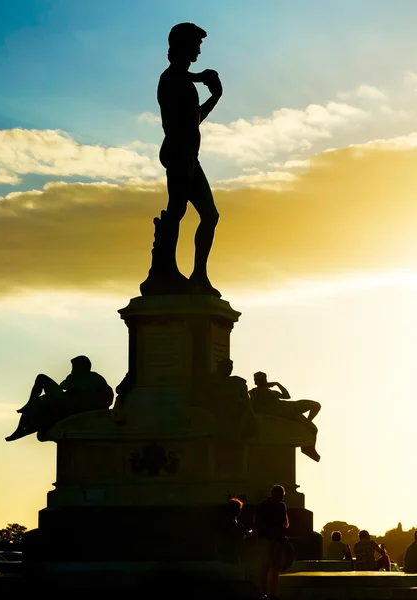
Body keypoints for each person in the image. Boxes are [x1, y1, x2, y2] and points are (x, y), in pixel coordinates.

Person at [140, 22, 223, 297]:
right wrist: (207, 88)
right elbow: (184, 123)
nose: (199, 49)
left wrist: (213, 95)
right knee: (177, 211)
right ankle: (165, 271)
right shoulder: (173, 79)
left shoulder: (182, 79)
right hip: (180, 154)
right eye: (196, 44)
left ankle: (197, 275)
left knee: (207, 215)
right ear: (183, 45)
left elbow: (194, 119)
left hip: (188, 155)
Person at [6, 356, 113, 441]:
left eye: (75, 366)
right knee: (39, 400)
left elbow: (100, 397)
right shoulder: (73, 376)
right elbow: (63, 386)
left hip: (71, 403)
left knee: (41, 379)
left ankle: (28, 419)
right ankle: (21, 428)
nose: (73, 369)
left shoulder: (93, 377)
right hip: (66, 399)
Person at [249, 371, 321, 462]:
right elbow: (254, 406)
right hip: (288, 413)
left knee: (316, 406)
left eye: (265, 379)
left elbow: (287, 396)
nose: (264, 381)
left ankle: (307, 425)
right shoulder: (255, 393)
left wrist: (277, 384)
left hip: (291, 406)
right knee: (314, 429)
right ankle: (308, 449)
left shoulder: (271, 392)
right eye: (261, 379)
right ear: (256, 382)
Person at [254, 484, 291, 599]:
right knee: (271, 566)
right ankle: (268, 592)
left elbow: (257, 523)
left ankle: (267, 592)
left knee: (269, 566)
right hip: (269, 538)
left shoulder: (265, 505)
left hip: (269, 538)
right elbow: (285, 523)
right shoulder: (279, 506)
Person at [208, 358, 256, 439]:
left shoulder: (237, 382)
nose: (231, 370)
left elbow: (246, 402)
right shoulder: (213, 381)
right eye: (229, 367)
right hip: (220, 414)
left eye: (231, 368)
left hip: (235, 415)